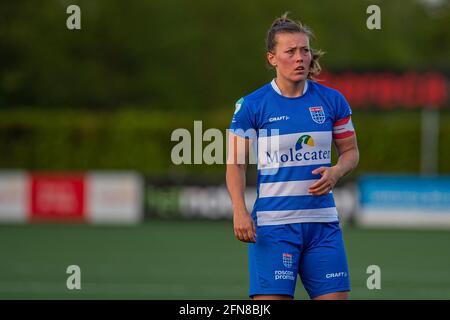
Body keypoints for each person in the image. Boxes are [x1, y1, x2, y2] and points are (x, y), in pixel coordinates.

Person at [226, 13, 359, 300]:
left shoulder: (333, 100)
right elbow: (236, 164)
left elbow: (350, 152)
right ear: (272, 58)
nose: (300, 58)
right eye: (290, 51)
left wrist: (336, 171)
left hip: (323, 226)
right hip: (274, 228)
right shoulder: (251, 105)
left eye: (305, 50)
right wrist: (239, 210)